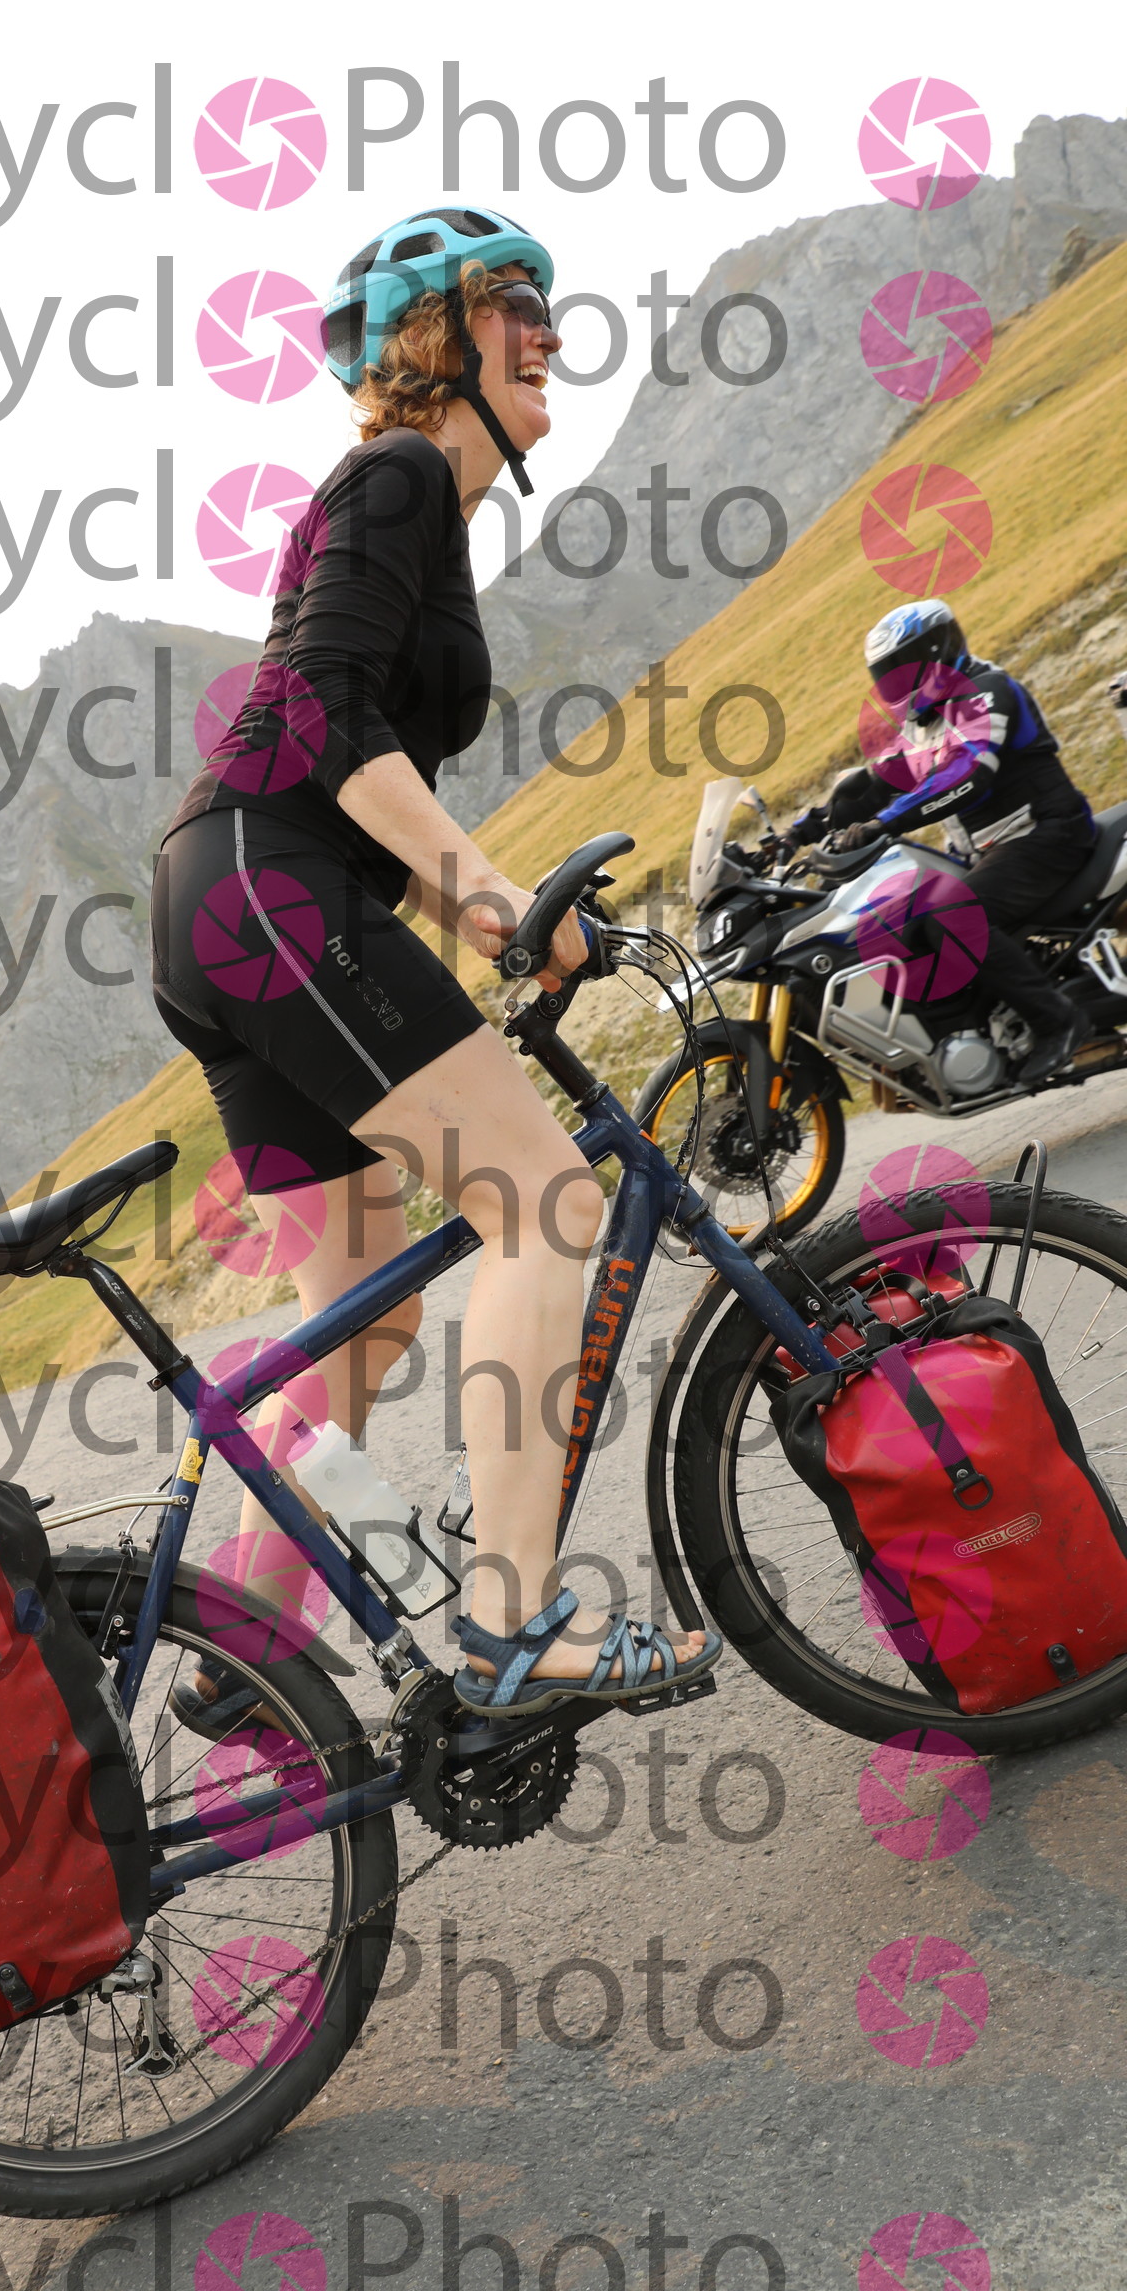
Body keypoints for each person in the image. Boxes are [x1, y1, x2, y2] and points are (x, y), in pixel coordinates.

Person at [150, 206, 718, 1726]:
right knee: (547, 1199)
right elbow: (321, 713)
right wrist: (490, 901)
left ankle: (240, 1662)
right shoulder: (398, 471)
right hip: (268, 885)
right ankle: (511, 1626)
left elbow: (349, 755)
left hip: (239, 897)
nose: (550, 329)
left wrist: (491, 919)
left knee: (367, 1314)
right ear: (434, 338)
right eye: (515, 299)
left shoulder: (422, 508)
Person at [792, 599, 1095, 1084]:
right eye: (887, 675)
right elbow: (878, 785)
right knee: (900, 914)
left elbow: (965, 774)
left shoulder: (985, 692)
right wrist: (800, 832)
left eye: (904, 669)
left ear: (937, 653)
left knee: (952, 913)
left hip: (1046, 833)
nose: (897, 684)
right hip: (989, 851)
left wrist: (884, 824)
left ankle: (1058, 1022)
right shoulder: (925, 724)